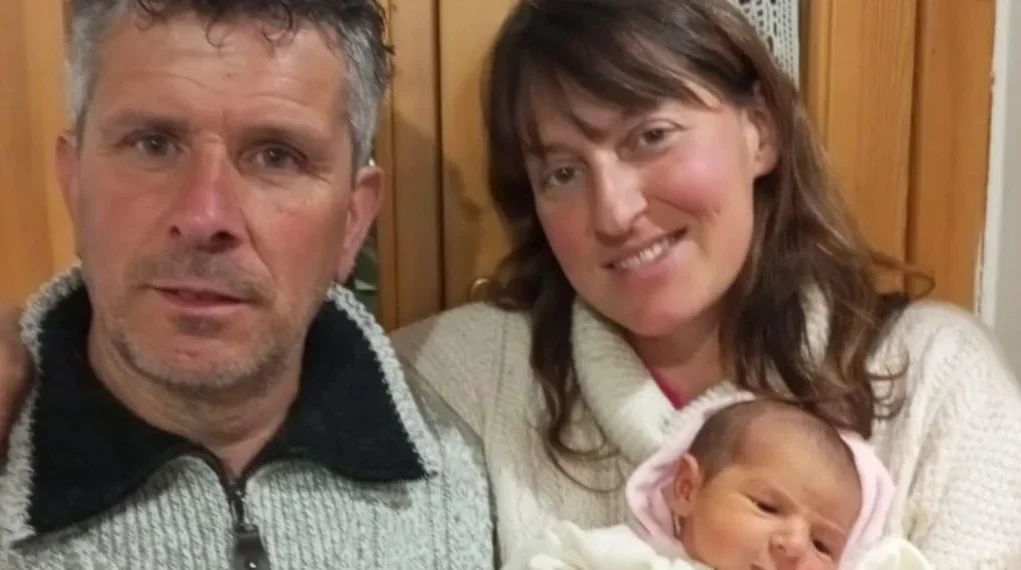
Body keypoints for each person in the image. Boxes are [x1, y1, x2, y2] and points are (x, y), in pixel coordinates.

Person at [1, 0, 1020, 567]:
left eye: (650, 136)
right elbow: (252, 351)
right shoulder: (466, 378)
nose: (613, 210)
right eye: (560, 171)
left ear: (759, 128)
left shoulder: (933, 381)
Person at [0, 0, 493, 568]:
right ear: (73, 182)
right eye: (153, 143)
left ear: (353, 221)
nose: (205, 216)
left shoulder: (477, 463)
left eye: (277, 157)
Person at [501, 396, 932, 570]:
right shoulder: (626, 557)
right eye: (768, 506)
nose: (795, 545)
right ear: (687, 489)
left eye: (824, 546)